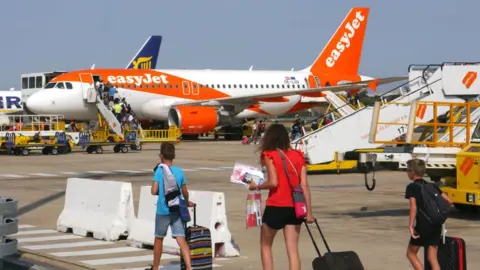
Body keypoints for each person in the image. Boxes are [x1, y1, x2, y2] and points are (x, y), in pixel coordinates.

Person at [248, 124, 314, 270]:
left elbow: (273, 182)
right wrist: (309, 212)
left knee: (265, 245)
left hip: (276, 205)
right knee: (293, 250)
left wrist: (256, 186)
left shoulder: (269, 154)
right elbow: (304, 186)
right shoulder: (298, 155)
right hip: (295, 208)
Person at [150, 143, 194, 270]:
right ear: (173, 156)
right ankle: (189, 267)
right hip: (177, 209)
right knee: (181, 239)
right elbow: (185, 191)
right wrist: (186, 202)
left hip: (163, 210)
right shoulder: (179, 171)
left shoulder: (159, 170)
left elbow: (153, 191)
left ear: (161, 156)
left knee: (159, 239)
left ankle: (156, 268)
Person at [404, 158, 453, 270]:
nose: (407, 173)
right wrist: (444, 215)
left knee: (411, 254)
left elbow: (413, 207)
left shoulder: (412, 187)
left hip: (423, 226)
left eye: (407, 170)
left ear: (412, 172)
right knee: (432, 258)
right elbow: (449, 201)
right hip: (436, 224)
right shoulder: (432, 186)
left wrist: (411, 226)